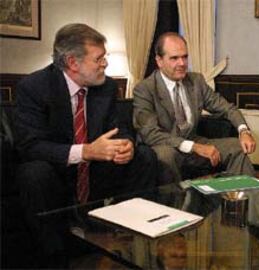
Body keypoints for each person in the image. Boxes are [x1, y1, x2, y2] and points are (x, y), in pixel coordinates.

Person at [15, 23, 157, 267]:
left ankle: (131, 239)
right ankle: (56, 255)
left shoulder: (107, 87)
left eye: (105, 57)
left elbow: (121, 127)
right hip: (58, 172)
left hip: (97, 172)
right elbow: (31, 146)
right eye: (99, 59)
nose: (105, 64)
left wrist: (126, 145)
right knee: (34, 172)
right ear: (73, 63)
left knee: (144, 156)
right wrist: (86, 151)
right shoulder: (34, 87)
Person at [133, 32, 256, 184]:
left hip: (193, 140)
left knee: (237, 147)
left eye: (184, 57)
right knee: (165, 156)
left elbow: (227, 108)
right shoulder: (145, 89)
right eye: (174, 58)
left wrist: (243, 130)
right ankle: (176, 205)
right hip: (164, 146)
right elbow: (150, 134)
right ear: (159, 61)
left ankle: (243, 200)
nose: (182, 63)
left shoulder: (196, 81)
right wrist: (194, 147)